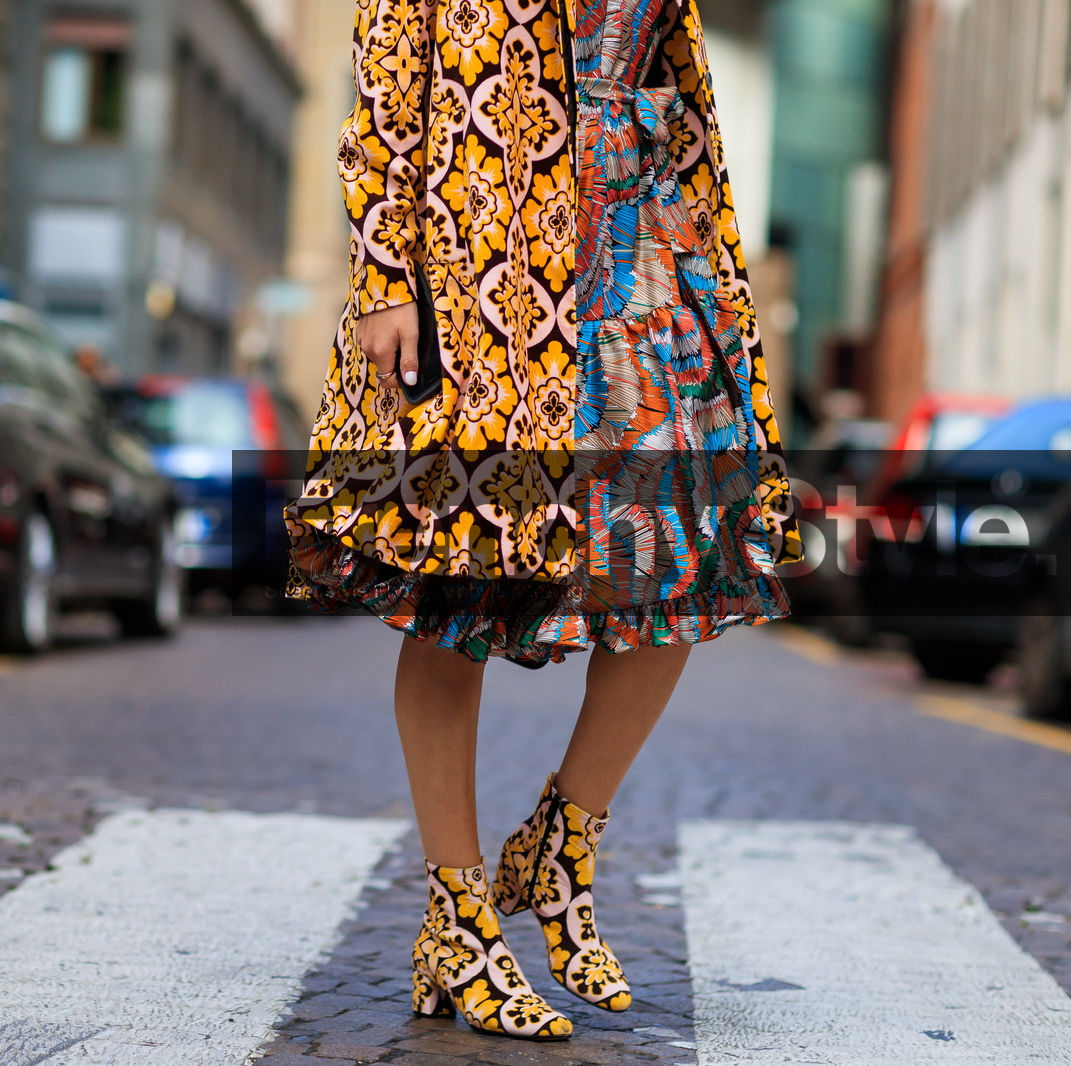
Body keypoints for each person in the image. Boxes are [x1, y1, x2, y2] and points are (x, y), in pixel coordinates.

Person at [285, 0, 802, 1042]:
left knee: (680, 562)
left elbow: (680, 95)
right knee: (458, 587)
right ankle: (458, 910)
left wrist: (717, 286)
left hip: (641, 258)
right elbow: (386, 80)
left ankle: (563, 838)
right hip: (487, 262)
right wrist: (387, 276)